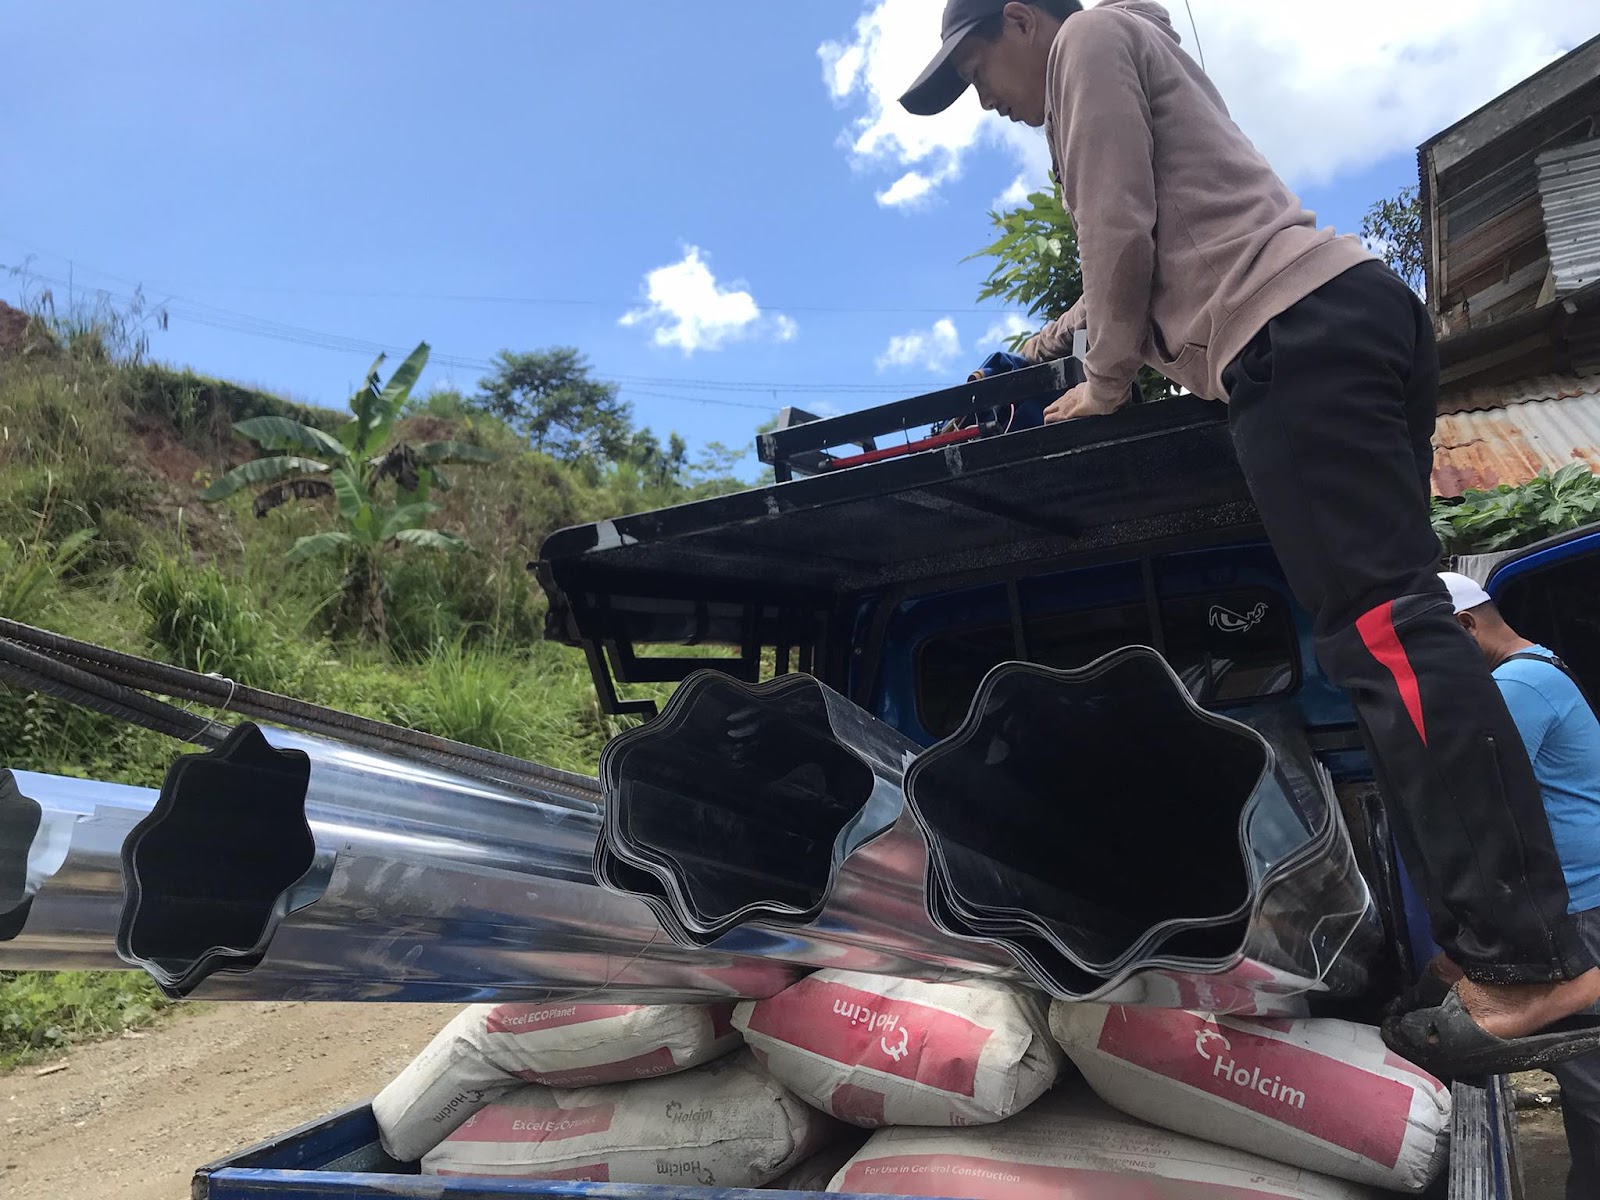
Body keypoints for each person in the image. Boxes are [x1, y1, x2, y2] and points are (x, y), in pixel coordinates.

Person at [898, 0, 1600, 1075]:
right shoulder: (1138, 52)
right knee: (1389, 636)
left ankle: (1531, 961)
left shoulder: (1087, 41)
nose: (984, 100)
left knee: (1389, 638)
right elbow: (1165, 226)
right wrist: (1077, 317)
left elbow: (1119, 218)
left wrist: (1104, 377)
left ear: (1027, 19)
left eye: (977, 66)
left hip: (1294, 340)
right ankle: (1494, 950)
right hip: (1343, 320)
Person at [1440, 571, 1600, 1196]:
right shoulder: (1541, 666)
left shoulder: (1516, 684)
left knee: (1585, 1063)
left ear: (1464, 626)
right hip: (1585, 888)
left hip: (1583, 898)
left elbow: (1482, 797)